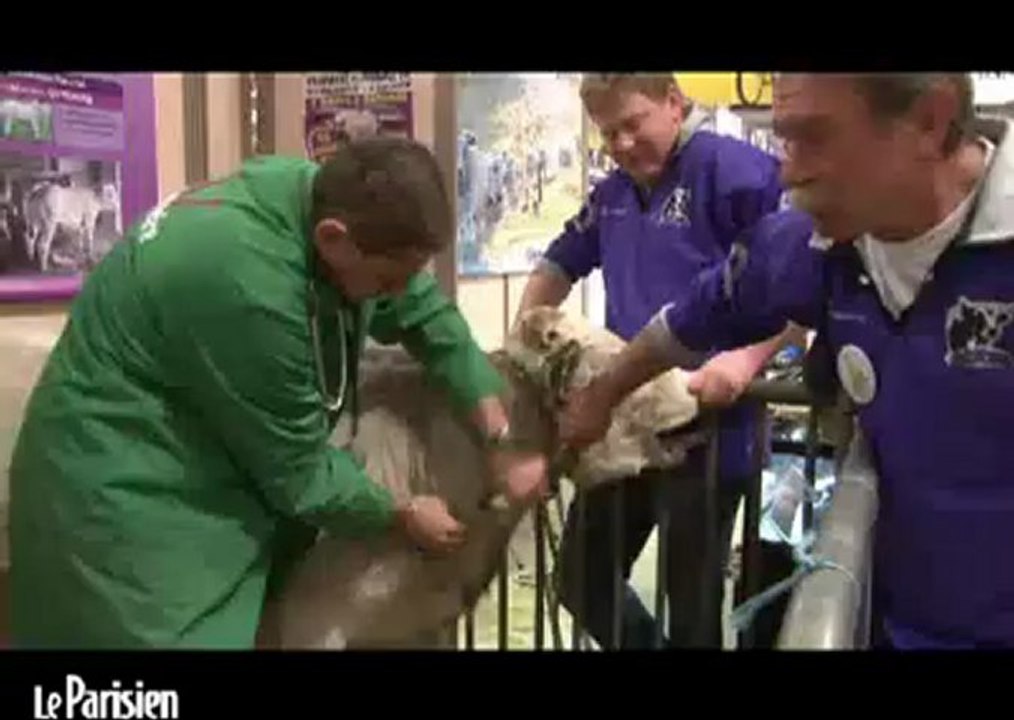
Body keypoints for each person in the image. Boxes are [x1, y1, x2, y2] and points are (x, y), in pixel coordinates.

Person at [8, 137, 548, 649]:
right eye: (386, 282)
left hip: (196, 459)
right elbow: (300, 472)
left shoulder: (314, 195)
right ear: (333, 240)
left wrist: (498, 435)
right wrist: (401, 512)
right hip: (124, 486)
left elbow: (427, 316)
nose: (396, 294)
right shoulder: (246, 284)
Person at [558, 73, 1014, 649]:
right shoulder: (808, 246)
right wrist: (601, 398)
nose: (790, 172)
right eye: (786, 141)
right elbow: (686, 323)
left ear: (929, 120)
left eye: (815, 139)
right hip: (896, 619)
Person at [513, 73, 797, 648]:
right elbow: (557, 264)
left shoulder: (735, 171)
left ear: (674, 102)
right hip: (625, 419)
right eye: (605, 132)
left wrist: (745, 361)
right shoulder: (613, 193)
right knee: (580, 577)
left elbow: (798, 282)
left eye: (631, 124)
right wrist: (528, 342)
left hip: (709, 425)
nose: (619, 144)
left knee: (690, 597)